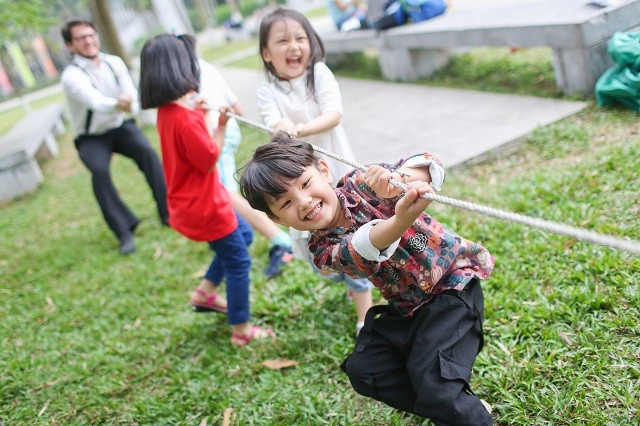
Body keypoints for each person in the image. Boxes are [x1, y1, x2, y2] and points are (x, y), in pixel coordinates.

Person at [239, 135, 495, 423]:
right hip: (411, 310)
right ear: (278, 220)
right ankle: (454, 405)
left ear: (323, 170)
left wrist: (401, 178)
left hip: (452, 287)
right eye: (285, 203)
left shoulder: (363, 182)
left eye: (306, 184)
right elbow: (362, 247)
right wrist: (400, 221)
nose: (304, 202)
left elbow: (429, 164)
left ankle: (450, 402)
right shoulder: (322, 250)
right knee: (365, 370)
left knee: (436, 385)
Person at [138, 33, 274, 347]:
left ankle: (206, 292)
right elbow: (208, 158)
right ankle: (241, 330)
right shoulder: (183, 119)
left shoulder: (169, 113)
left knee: (244, 236)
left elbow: (189, 146)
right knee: (239, 260)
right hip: (206, 205)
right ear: (180, 69)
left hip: (193, 202)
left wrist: (199, 116)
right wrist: (221, 125)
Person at [257, 7, 374, 335]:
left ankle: (365, 313)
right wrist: (281, 125)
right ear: (267, 53)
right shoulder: (267, 91)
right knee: (317, 253)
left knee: (349, 234)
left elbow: (334, 114)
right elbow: (273, 122)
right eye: (282, 41)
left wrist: (300, 128)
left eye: (300, 38)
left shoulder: (319, 73)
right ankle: (346, 273)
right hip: (300, 184)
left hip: (333, 172)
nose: (293, 46)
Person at [60, 19, 168, 255]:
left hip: (120, 126)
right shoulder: (71, 76)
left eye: (90, 35)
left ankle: (167, 212)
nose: (88, 41)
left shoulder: (113, 62)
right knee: (99, 171)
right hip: (91, 136)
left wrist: (132, 106)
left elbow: (133, 96)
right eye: (80, 38)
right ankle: (124, 231)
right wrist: (120, 104)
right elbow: (95, 102)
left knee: (148, 154)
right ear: (70, 45)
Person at [197, 58, 294, 279]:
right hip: (229, 133)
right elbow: (238, 108)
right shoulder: (206, 65)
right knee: (225, 194)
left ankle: (282, 243)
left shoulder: (183, 77)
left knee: (227, 194)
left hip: (216, 138)